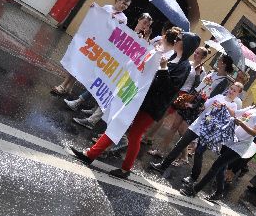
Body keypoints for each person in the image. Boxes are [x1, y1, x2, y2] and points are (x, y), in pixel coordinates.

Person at [70, 31, 201, 178]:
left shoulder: (184, 67)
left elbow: (169, 88)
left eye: (180, 39)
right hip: (141, 98)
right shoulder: (172, 56)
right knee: (120, 124)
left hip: (152, 106)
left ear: (186, 44)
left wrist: (163, 68)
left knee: (134, 134)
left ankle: (122, 167)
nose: (176, 40)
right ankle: (91, 154)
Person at [179, 91, 256, 200]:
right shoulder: (253, 108)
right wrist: (225, 106)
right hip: (230, 140)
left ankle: (194, 190)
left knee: (216, 166)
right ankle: (219, 192)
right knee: (222, 167)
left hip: (240, 146)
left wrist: (240, 123)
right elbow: (235, 113)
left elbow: (255, 132)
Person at [65, 13, 153, 117]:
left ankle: (80, 103)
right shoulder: (128, 29)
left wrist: (143, 39)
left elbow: (140, 54)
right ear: (139, 20)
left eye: (148, 25)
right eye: (144, 23)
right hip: (112, 61)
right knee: (97, 83)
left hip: (121, 67)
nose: (145, 26)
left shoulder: (141, 38)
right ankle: (84, 105)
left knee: (104, 87)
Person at [149, 82, 243, 177]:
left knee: (198, 153)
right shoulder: (219, 96)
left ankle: (193, 177)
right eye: (231, 89)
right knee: (181, 144)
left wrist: (224, 107)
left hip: (209, 131)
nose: (231, 91)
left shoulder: (233, 105)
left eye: (234, 91)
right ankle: (163, 166)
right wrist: (206, 102)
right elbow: (206, 105)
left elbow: (231, 115)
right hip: (198, 125)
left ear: (238, 94)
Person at [52, 0, 132, 96]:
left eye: (127, 5)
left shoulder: (123, 19)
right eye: (123, 3)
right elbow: (96, 18)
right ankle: (64, 85)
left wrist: (113, 21)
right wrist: (94, 10)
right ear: (117, 0)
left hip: (101, 45)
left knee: (83, 65)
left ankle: (68, 85)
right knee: (78, 60)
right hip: (92, 39)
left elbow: (117, 33)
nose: (124, 6)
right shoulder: (107, 7)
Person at [147, 46, 209, 160]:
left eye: (198, 53)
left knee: (170, 120)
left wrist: (197, 74)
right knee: (169, 120)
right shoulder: (188, 63)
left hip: (184, 95)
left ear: (203, 57)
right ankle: (150, 137)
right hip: (176, 90)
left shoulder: (202, 71)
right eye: (195, 51)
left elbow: (198, 87)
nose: (195, 54)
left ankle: (153, 141)